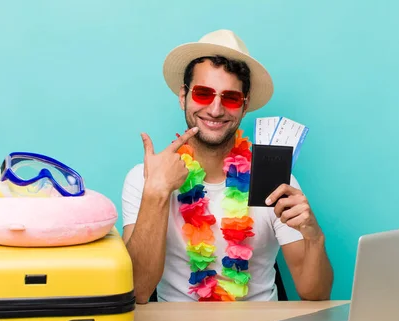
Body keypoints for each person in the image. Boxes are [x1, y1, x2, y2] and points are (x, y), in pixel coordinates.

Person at [121, 29, 333, 303]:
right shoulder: (144, 177)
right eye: (203, 93)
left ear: (244, 106)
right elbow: (137, 292)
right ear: (183, 96)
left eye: (231, 97)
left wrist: (314, 236)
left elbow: (315, 293)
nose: (216, 109)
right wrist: (157, 192)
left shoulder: (274, 179)